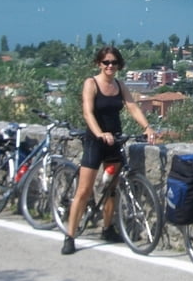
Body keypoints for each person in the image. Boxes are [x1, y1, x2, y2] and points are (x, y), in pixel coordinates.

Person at [61, 46, 157, 255]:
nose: (110, 66)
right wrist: (99, 133)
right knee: (84, 191)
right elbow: (87, 113)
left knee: (112, 189)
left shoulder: (120, 85)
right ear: (99, 64)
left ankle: (107, 228)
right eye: (106, 62)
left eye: (114, 62)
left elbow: (132, 106)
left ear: (119, 65)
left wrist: (147, 127)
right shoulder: (91, 83)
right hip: (95, 141)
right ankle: (70, 236)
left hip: (115, 140)